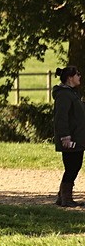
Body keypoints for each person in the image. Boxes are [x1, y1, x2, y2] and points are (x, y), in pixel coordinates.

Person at [52, 65, 85, 206]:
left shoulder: (72, 93)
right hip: (70, 138)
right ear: (70, 78)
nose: (80, 76)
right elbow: (61, 117)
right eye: (77, 74)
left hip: (77, 136)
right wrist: (65, 136)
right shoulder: (64, 95)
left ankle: (62, 197)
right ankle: (66, 198)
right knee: (72, 166)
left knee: (74, 165)